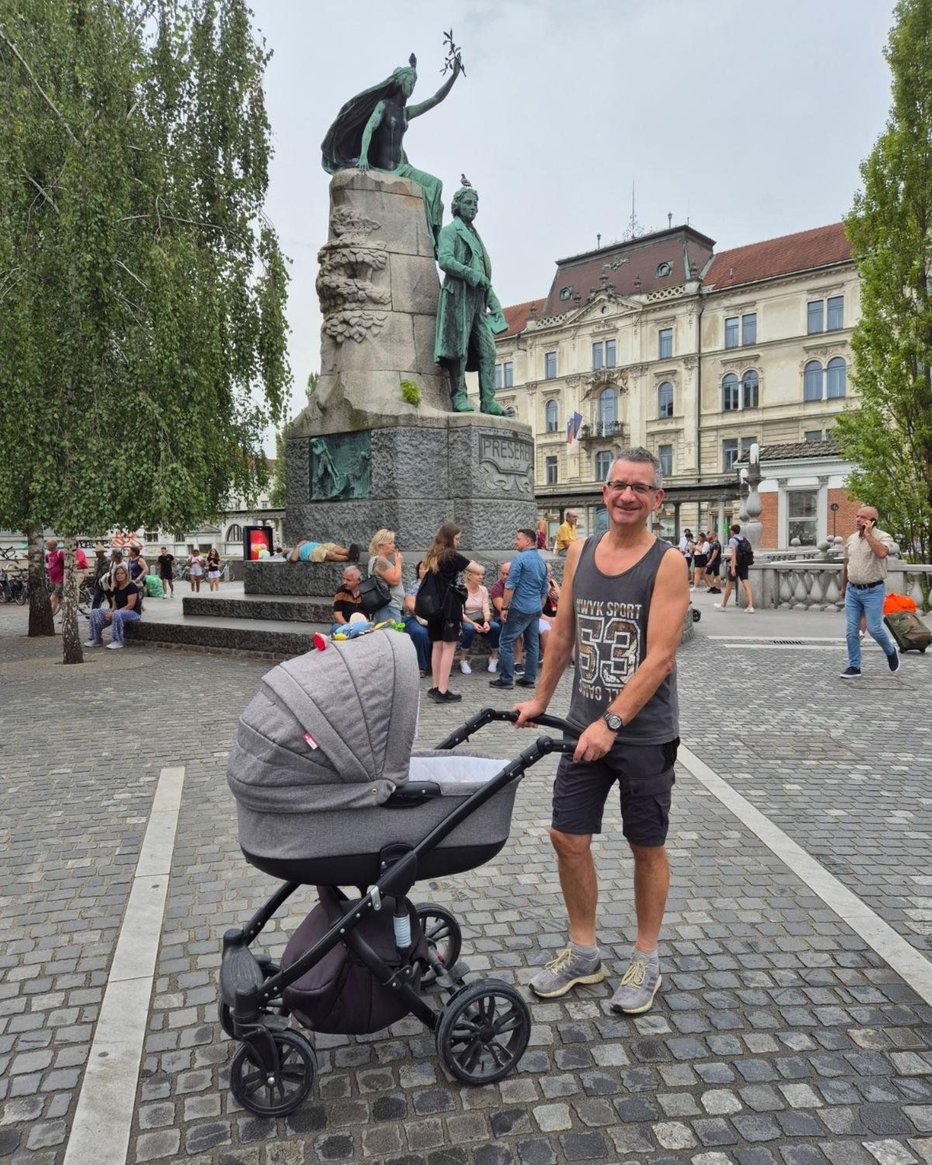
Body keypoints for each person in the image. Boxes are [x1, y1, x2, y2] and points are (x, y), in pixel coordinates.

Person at [514, 448, 689, 1014]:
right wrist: (540, 698)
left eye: (640, 487)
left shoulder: (667, 563)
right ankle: (585, 952)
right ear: (603, 492)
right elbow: (562, 634)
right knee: (567, 837)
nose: (627, 496)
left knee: (646, 847)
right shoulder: (581, 552)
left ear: (656, 499)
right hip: (581, 726)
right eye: (619, 485)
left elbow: (660, 657)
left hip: (642, 734)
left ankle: (646, 955)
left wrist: (612, 722)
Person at [321, 53, 462, 251]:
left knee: (436, 184)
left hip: (403, 168)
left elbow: (436, 99)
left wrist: (454, 75)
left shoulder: (406, 112)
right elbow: (369, 127)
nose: (412, 88)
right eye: (409, 82)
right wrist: (363, 156)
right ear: (399, 82)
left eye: (414, 84)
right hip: (385, 168)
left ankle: (434, 238)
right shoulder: (383, 106)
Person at [434, 185, 508, 415]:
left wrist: (494, 303)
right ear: (457, 206)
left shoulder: (476, 235)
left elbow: (484, 275)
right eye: (468, 203)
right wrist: (470, 274)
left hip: (477, 299)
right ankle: (459, 395)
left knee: (489, 350)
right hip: (458, 296)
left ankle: (488, 401)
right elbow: (444, 260)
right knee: (460, 348)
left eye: (475, 204)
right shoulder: (450, 231)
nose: (473, 208)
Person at [422, 523, 481, 703]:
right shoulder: (451, 555)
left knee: (438, 645)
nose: (459, 542)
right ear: (450, 539)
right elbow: (479, 569)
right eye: (457, 539)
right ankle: (443, 689)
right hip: (449, 607)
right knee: (449, 646)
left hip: (434, 607)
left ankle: (435, 686)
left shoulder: (433, 555)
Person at [840, 505, 900, 678]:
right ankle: (854, 666)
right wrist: (844, 586)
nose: (858, 519)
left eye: (863, 517)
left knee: (874, 628)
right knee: (852, 630)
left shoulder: (883, 537)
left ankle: (890, 650)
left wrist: (868, 534)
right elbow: (846, 564)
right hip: (853, 589)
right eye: (857, 516)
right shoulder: (851, 539)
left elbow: (882, 553)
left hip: (873, 590)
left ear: (872, 521)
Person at [490, 528, 548, 691]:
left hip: (519, 607)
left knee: (506, 641)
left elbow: (510, 585)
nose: (515, 541)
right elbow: (544, 588)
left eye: (518, 539)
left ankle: (506, 679)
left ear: (527, 541)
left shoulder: (519, 559)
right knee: (532, 643)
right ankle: (529, 678)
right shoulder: (541, 561)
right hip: (534, 608)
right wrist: (539, 606)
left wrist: (504, 607)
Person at [457, 564, 500, 674]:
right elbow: (460, 613)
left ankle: (494, 657)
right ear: (469, 576)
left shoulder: (483, 590)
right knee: (470, 629)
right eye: (478, 574)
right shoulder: (461, 589)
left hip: (481, 617)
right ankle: (463, 659)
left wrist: (486, 622)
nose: (481, 577)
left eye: (482, 575)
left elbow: (486, 608)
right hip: (466, 618)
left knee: (495, 627)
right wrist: (473, 624)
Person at [84, 565, 141, 649]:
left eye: (122, 573)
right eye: (117, 574)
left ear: (126, 575)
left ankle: (118, 641)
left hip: (133, 613)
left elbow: (130, 605)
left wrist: (114, 613)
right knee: (95, 612)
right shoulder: (116, 588)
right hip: (118, 612)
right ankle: (96, 639)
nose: (119, 575)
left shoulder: (131, 586)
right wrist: (110, 612)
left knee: (117, 614)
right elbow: (114, 605)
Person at [714, 524, 755, 612]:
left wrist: (732, 568)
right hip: (744, 564)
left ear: (732, 531)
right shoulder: (744, 539)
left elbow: (733, 555)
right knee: (746, 585)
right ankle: (750, 605)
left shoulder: (732, 540)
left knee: (729, 586)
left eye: (730, 530)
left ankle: (723, 605)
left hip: (736, 565)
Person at [403, 561, 433, 676]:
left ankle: (439, 666)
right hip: (413, 618)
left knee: (444, 631)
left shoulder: (436, 587)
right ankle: (421, 666)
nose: (424, 570)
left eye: (426, 568)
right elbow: (410, 604)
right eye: (421, 568)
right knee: (420, 633)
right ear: (417, 571)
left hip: (432, 618)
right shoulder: (413, 585)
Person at [367, 530, 405, 622]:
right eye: (390, 542)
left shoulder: (378, 560)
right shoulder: (380, 561)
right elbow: (394, 580)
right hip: (388, 608)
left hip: (389, 607)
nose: (393, 545)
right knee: (390, 635)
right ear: (380, 545)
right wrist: (398, 563)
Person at [331, 565, 364, 633]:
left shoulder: (365, 592)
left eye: (348, 580)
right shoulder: (341, 591)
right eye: (343, 579)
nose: (344, 582)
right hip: (344, 624)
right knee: (335, 628)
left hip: (361, 625)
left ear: (358, 581)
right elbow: (337, 614)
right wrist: (348, 626)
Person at [287, 539, 360, 564]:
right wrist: (298, 546)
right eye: (285, 550)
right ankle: (349, 558)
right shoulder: (290, 553)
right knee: (330, 554)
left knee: (335, 548)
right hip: (312, 553)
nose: (286, 548)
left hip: (319, 545)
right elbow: (293, 559)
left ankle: (350, 552)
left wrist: (304, 542)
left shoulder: (299, 546)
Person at [45, 538, 65, 617]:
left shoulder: (60, 553)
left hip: (59, 579)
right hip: (52, 580)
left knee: (54, 597)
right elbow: (45, 563)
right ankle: (66, 614)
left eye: (48, 544)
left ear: (53, 545)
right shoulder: (48, 555)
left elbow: (67, 565)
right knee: (60, 599)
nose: (46, 546)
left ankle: (49, 616)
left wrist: (63, 577)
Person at [90, 544, 111, 610]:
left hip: (106, 582)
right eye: (96, 552)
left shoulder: (108, 561)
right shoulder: (96, 561)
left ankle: (113, 610)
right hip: (98, 582)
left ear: (102, 553)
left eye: (98, 552)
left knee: (110, 598)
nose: (96, 554)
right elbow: (96, 573)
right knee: (96, 598)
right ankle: (94, 613)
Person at [705, 530, 722, 594]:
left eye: (709, 535)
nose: (708, 536)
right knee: (707, 573)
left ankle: (718, 588)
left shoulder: (716, 543)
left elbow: (715, 552)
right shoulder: (713, 542)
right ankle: (712, 586)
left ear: (712, 535)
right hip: (712, 561)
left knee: (716, 574)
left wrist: (711, 561)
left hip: (715, 561)